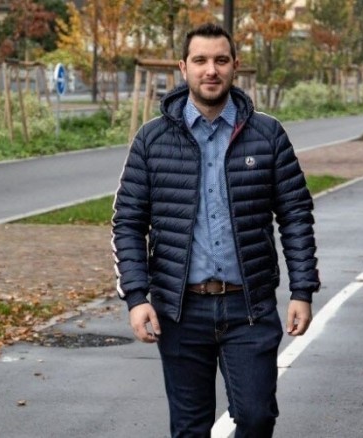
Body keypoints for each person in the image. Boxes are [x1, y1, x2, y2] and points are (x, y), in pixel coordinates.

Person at [111, 22, 320, 437]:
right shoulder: (152, 140)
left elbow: (295, 214)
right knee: (190, 429)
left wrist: (302, 290)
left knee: (257, 417)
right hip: (180, 311)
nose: (211, 70)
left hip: (249, 307)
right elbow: (128, 222)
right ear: (183, 67)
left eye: (221, 60)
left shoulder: (267, 134)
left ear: (235, 66)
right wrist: (136, 297)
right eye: (201, 60)